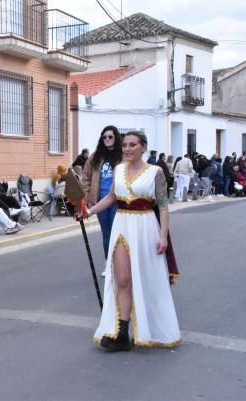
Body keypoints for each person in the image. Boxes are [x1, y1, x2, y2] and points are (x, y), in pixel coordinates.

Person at [76, 131, 180, 351]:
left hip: (146, 227)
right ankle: (122, 333)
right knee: (122, 279)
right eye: (125, 145)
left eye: (133, 145)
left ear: (143, 147)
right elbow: (112, 197)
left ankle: (152, 328)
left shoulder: (156, 172)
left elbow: (162, 205)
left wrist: (163, 236)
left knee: (147, 279)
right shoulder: (118, 169)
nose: (128, 149)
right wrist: (89, 212)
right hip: (122, 226)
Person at [81, 126, 123, 262]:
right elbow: (86, 177)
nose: (107, 139)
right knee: (106, 234)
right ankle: (109, 264)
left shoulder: (123, 156)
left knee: (118, 233)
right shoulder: (95, 157)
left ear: (116, 138)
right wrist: (87, 197)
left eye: (110, 136)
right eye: (104, 137)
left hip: (119, 201)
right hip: (100, 202)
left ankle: (120, 263)